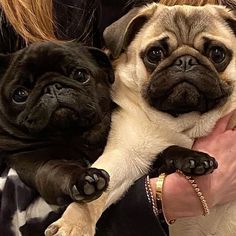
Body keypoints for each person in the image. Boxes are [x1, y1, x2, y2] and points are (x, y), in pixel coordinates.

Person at [0, 0, 236, 236]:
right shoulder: (13, 15)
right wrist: (164, 196)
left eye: (217, 55)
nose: (186, 65)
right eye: (155, 55)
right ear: (121, 54)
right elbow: (117, 165)